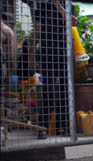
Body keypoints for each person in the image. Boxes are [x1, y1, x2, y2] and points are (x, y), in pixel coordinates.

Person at [27, 0, 77, 138]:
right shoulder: (42, 8)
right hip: (48, 53)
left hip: (66, 55)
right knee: (48, 90)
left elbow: (73, 23)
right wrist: (31, 54)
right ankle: (42, 127)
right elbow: (37, 31)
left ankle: (61, 127)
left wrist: (58, 6)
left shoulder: (69, 7)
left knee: (65, 91)